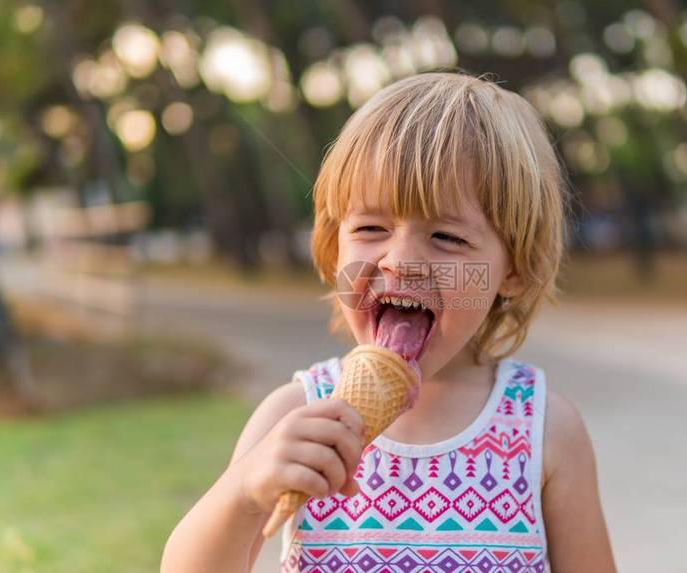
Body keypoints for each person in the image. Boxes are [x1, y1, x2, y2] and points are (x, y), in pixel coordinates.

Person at [161, 72, 616, 572]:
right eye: (371, 228)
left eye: (447, 237)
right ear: (336, 250)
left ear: (514, 269)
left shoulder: (545, 431)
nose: (400, 261)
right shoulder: (296, 415)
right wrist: (244, 493)